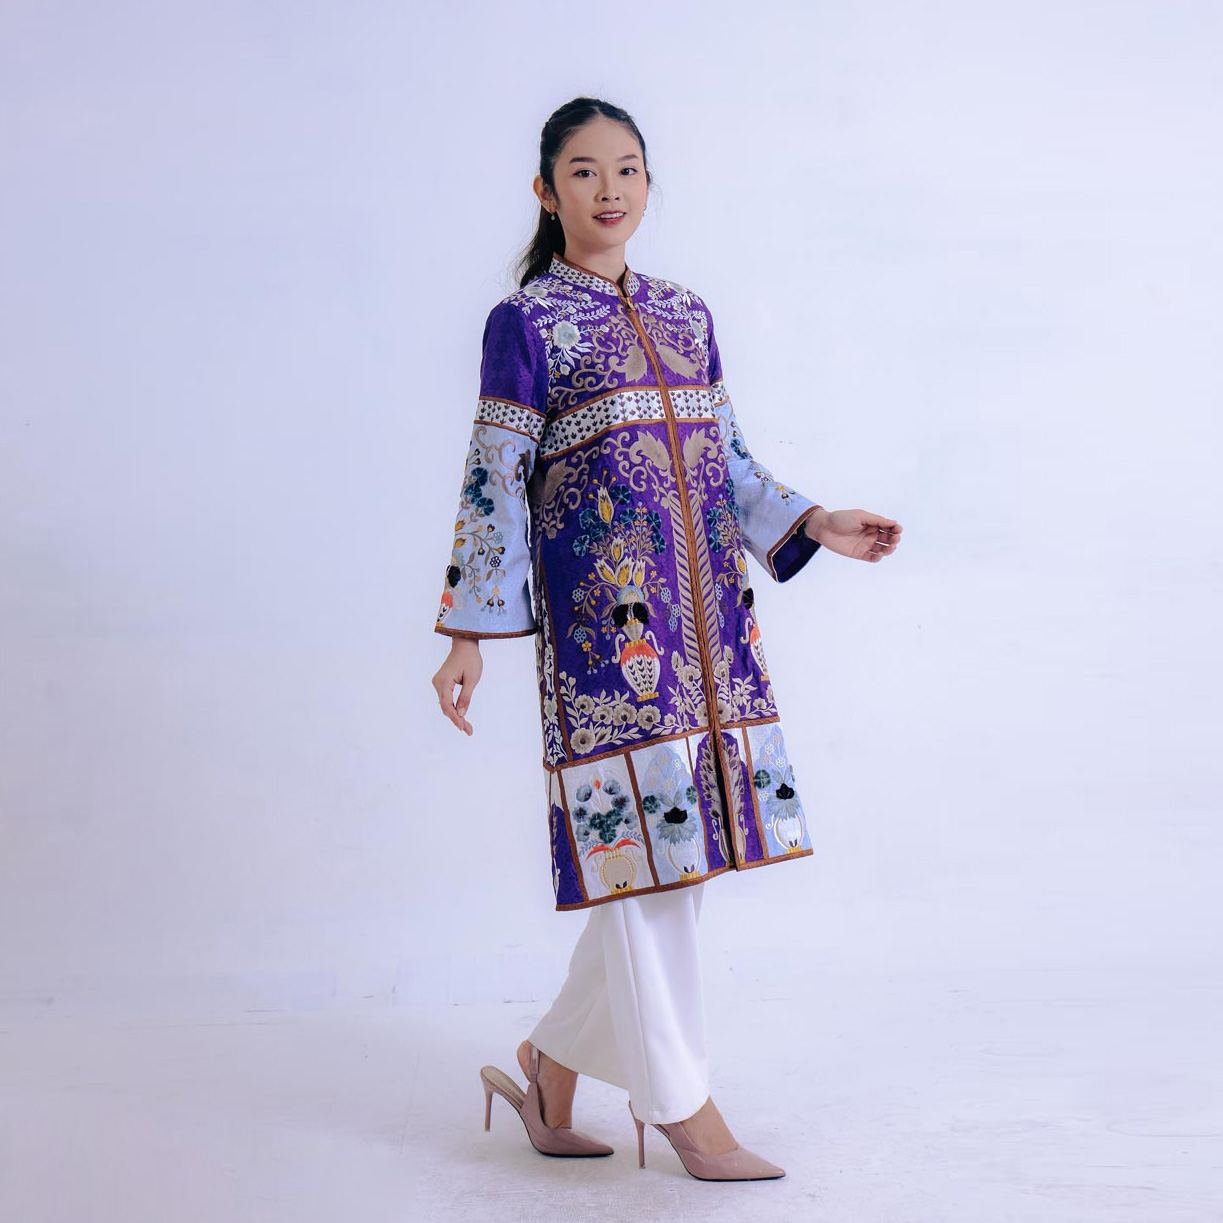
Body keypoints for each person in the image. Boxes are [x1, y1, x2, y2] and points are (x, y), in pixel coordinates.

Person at [431, 97, 902, 1182]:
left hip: (711, 633)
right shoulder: (526, 324)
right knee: (645, 864)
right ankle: (685, 1106)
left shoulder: (686, 315)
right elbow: (493, 479)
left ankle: (547, 1066)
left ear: (648, 182)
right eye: (584, 171)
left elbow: (726, 458)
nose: (610, 190)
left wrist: (814, 520)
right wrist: (467, 631)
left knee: (668, 864)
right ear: (546, 191)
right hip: (611, 642)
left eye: (628, 169)